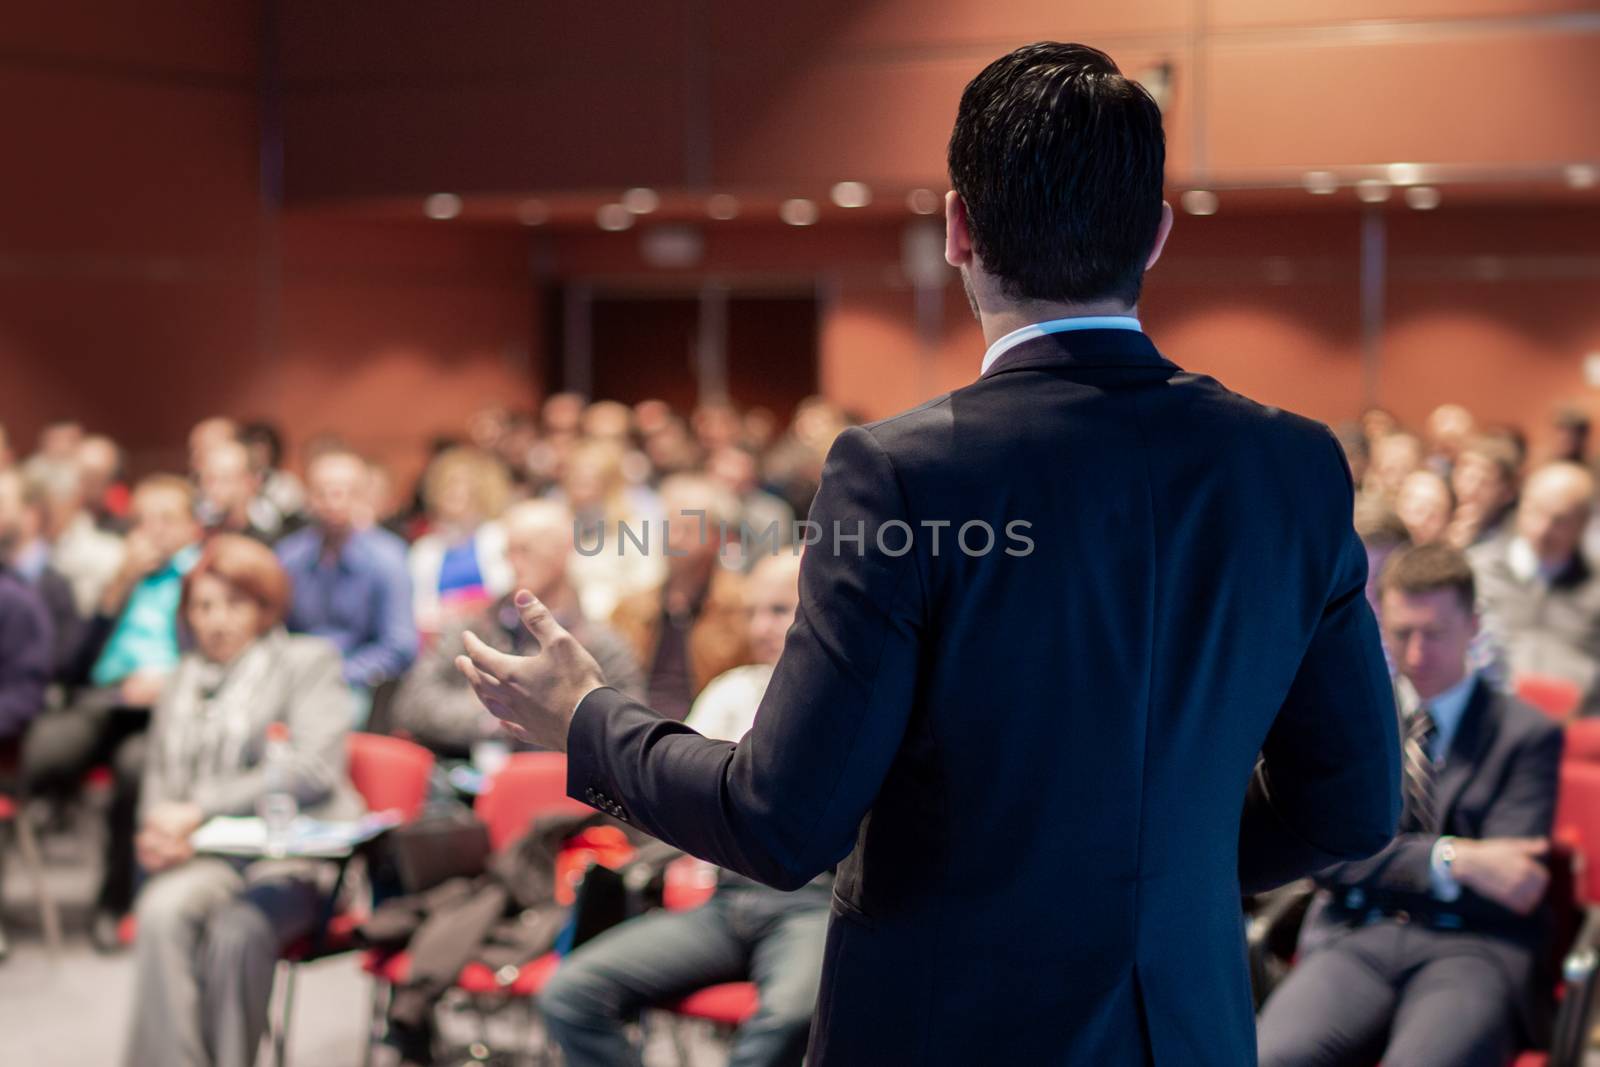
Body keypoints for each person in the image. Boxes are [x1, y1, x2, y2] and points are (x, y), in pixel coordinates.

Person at [455, 43, 1399, 1065]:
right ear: (1157, 236)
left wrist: (589, 721)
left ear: (956, 225)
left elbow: (782, 821)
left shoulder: (902, 472)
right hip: (1186, 1027)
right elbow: (1350, 803)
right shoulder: (1290, 463)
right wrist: (1155, 873)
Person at [1257, 544, 1561, 1066]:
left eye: (1435, 634)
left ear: (1473, 625)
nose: (1416, 653)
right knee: (1271, 1057)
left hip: (1473, 949)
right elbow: (1329, 859)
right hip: (1358, 934)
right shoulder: (1355, 721)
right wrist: (1453, 859)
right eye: (1401, 633)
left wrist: (1383, 860)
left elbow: (1515, 885)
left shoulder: (1526, 734)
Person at [539, 554, 828, 1067]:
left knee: (788, 1020)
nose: (761, 627)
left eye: (781, 609)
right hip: (728, 898)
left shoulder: (846, 700)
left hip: (809, 902)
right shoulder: (733, 689)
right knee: (571, 992)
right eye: (752, 612)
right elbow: (670, 793)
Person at [121, 535, 363, 1067]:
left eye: (233, 604)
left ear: (264, 607)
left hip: (295, 854)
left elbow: (311, 768)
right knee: (161, 910)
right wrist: (157, 835)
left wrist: (201, 807)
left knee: (237, 932)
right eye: (203, 606)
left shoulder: (305, 661)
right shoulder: (182, 678)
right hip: (209, 857)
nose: (217, 620)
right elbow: (160, 779)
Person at [22, 473, 203, 947]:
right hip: (104, 703)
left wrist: (169, 682)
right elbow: (71, 664)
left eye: (168, 520)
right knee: (38, 751)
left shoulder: (201, 579)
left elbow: (213, 659)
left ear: (191, 528)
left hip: (166, 715)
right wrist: (116, 589)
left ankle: (114, 903)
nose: (154, 531)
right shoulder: (121, 577)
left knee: (135, 770)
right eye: (144, 521)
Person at [390, 499, 642, 756]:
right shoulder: (474, 627)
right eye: (507, 552)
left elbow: (625, 731)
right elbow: (412, 704)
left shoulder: (600, 644)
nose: (513, 562)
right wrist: (498, 716)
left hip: (556, 785)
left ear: (563, 550)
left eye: (526, 550)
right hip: (464, 778)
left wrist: (526, 713)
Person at [275, 449, 417, 705]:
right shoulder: (288, 556)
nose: (333, 502)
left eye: (344, 492)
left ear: (362, 497)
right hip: (295, 676)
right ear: (308, 497)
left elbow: (400, 646)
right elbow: (274, 630)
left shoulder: (389, 558)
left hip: (357, 683)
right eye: (322, 492)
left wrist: (340, 674)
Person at [606, 474, 749, 723]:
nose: (673, 539)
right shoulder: (629, 608)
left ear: (718, 538)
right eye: (668, 527)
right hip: (636, 731)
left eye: (686, 528)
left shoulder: (742, 608)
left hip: (708, 737)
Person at [1469, 461, 1600, 714]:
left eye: (1559, 520)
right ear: (1521, 505)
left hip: (1571, 726)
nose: (1544, 529)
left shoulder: (1594, 586)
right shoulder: (1479, 570)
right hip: (1489, 721)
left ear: (1583, 523)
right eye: (1536, 512)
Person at [407, 446, 514, 637]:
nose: (455, 492)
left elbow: (506, 591)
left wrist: (464, 605)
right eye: (447, 485)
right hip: (442, 639)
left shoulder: (498, 536)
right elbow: (419, 611)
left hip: (496, 634)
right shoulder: (425, 549)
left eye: (464, 485)